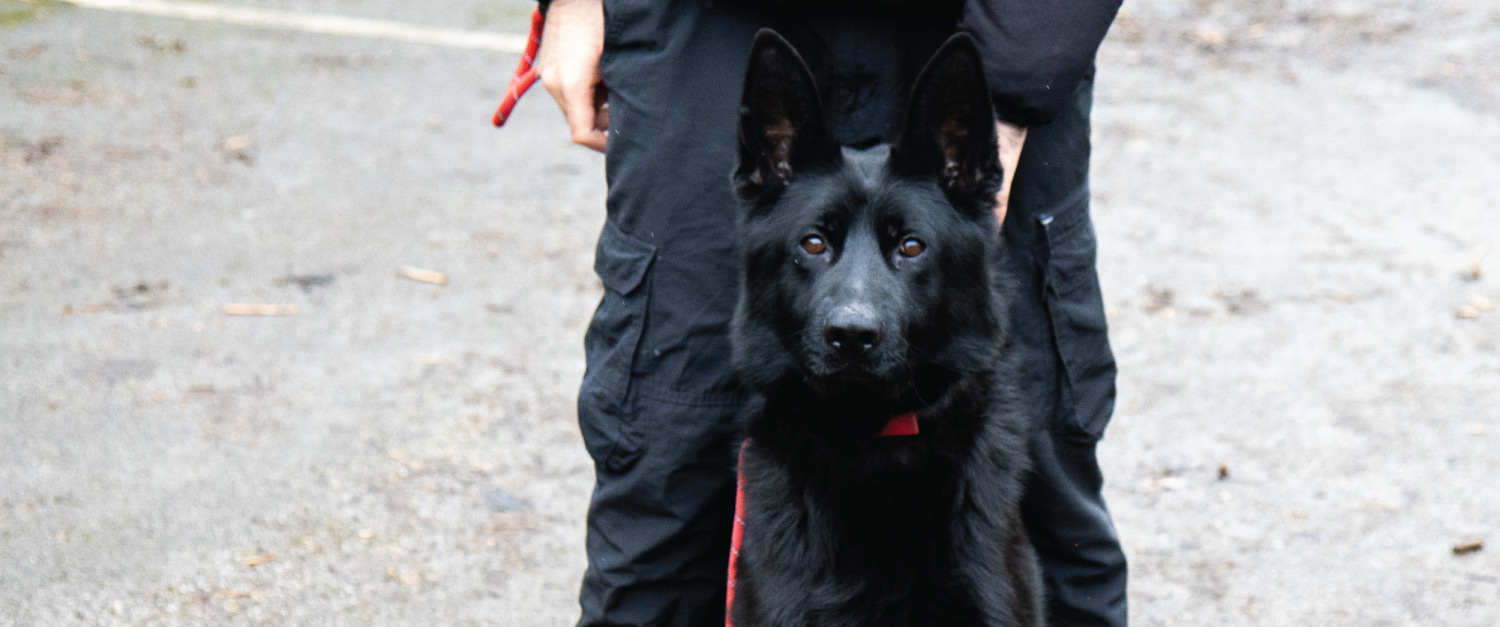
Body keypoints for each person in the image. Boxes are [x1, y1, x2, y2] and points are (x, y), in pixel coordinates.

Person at [533, 1, 1126, 625]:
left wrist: (1014, 83)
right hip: (706, 27)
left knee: (1049, 503)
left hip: (998, 23)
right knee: (666, 471)